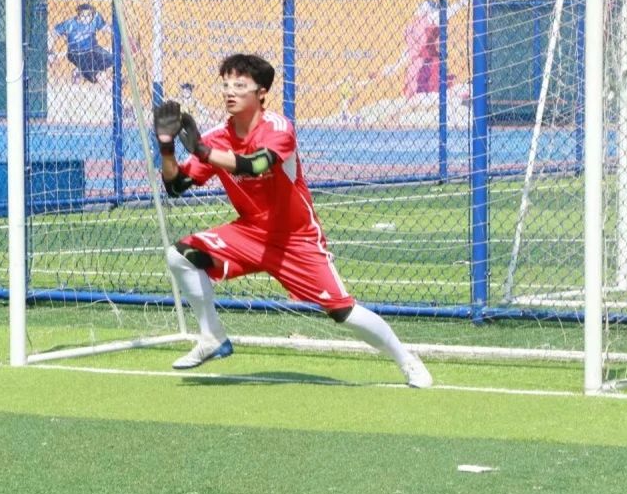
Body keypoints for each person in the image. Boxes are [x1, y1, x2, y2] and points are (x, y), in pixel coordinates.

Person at [152, 52, 432, 388]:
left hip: (296, 238)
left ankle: (406, 359)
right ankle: (212, 337)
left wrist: (202, 151)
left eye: (240, 85)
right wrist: (166, 147)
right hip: (250, 233)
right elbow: (177, 186)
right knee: (179, 255)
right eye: (225, 85)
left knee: (342, 312)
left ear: (261, 93)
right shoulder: (215, 138)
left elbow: (257, 164)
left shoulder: (278, 128)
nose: (230, 92)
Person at [50, 3, 113, 83]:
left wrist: (116, 33)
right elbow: (53, 33)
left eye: (89, 15)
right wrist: (50, 50)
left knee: (113, 62)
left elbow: (105, 27)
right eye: (83, 15)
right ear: (78, 15)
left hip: (94, 49)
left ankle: (79, 70)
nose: (87, 18)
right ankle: (109, 85)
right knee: (98, 75)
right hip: (77, 52)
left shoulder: (95, 18)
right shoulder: (70, 24)